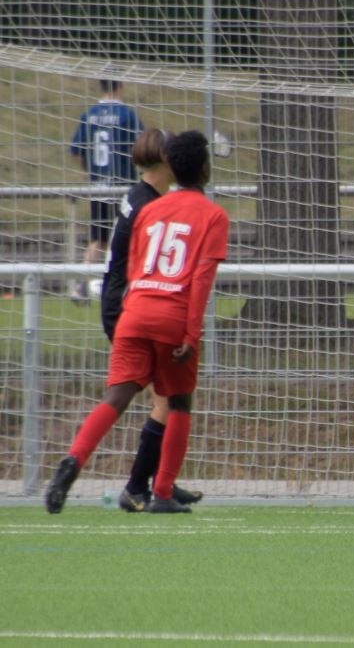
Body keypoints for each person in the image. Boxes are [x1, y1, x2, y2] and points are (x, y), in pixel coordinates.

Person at [45, 131, 229, 515]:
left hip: (135, 312)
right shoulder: (214, 216)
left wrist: (131, 312)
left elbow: (136, 266)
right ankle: (161, 493)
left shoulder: (148, 210)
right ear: (205, 168)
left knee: (116, 397)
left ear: (173, 168)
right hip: (172, 314)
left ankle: (73, 461)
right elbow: (200, 281)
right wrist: (191, 335)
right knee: (178, 402)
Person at [97, 128, 204, 512]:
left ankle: (161, 484)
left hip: (123, 304)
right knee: (168, 401)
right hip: (130, 308)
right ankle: (140, 488)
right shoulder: (148, 205)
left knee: (170, 398)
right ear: (164, 161)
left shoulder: (143, 197)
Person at [68, 79, 144, 299]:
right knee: (130, 237)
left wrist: (89, 166)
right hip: (122, 187)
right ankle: (130, 284)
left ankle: (80, 286)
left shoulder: (89, 115)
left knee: (97, 240)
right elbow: (140, 148)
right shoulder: (127, 115)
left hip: (98, 187)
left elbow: (75, 151)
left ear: (100, 87)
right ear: (120, 86)